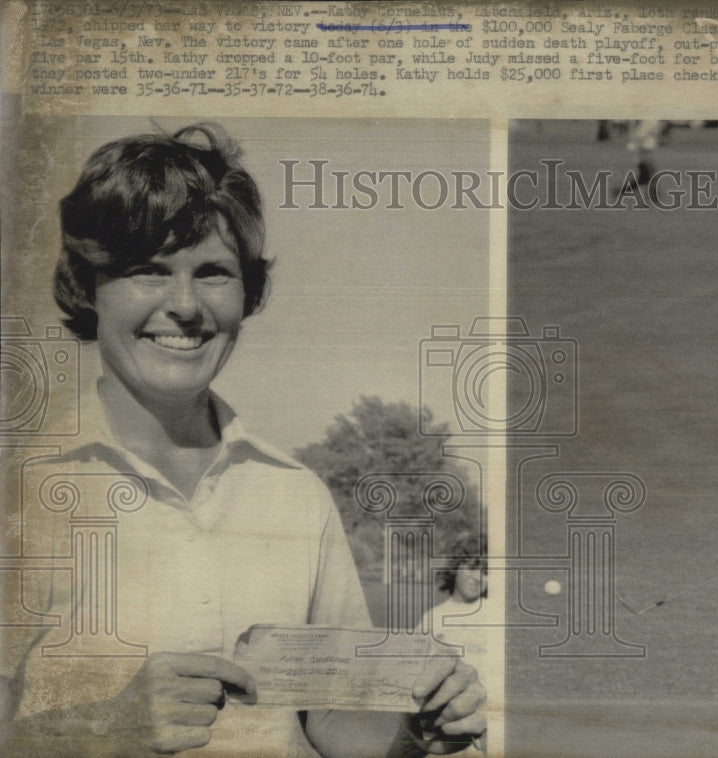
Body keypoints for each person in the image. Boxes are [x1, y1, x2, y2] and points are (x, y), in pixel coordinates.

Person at [0, 123, 485, 756]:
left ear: (247, 293)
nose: (186, 305)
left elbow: (335, 715)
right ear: (88, 288)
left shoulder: (294, 492)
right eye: (148, 270)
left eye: (213, 273)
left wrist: (414, 730)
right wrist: (96, 731)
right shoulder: (20, 486)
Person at [417, 537, 489, 756]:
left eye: (486, 571)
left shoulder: (497, 612)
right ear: (455, 568)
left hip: (485, 727)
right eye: (471, 567)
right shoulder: (434, 617)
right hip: (443, 729)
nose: (478, 577)